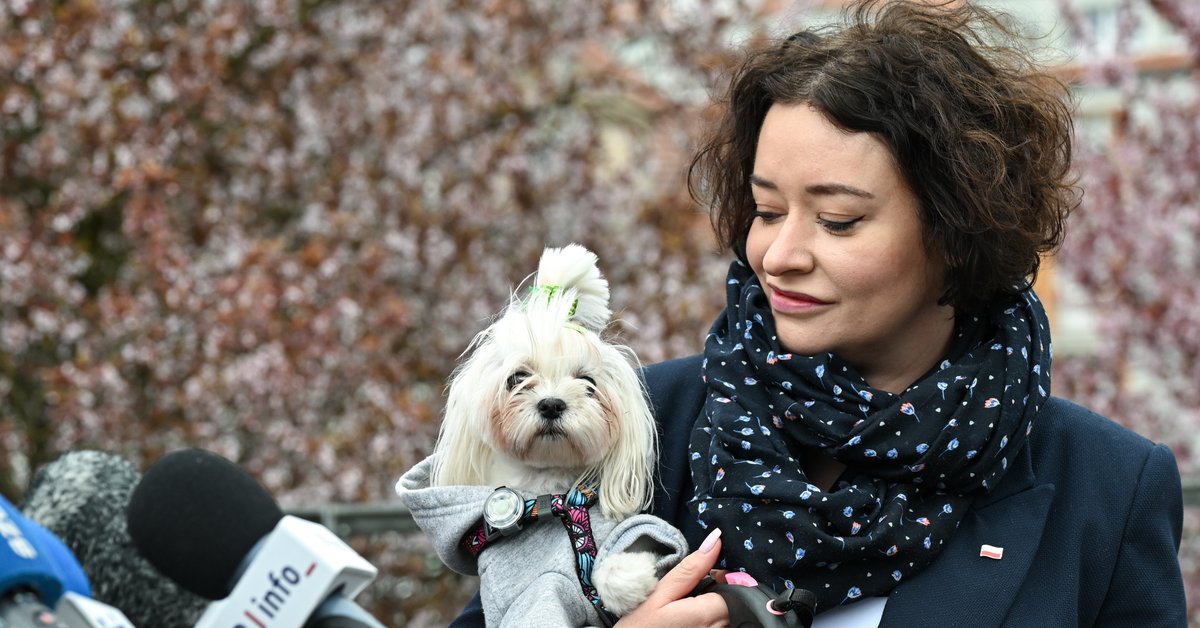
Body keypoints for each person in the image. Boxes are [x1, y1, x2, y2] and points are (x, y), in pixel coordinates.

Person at [451, 0, 1187, 625]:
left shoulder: (1106, 487)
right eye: (767, 210)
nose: (778, 254)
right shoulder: (631, 420)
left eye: (837, 221)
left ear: (958, 233)